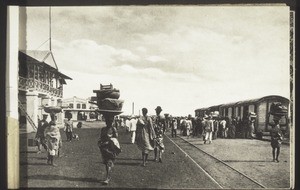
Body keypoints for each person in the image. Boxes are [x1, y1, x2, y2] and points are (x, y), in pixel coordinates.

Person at [98, 113, 121, 184]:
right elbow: (101, 138)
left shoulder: (113, 129)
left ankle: (107, 178)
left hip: (111, 148)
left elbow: (116, 138)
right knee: (106, 162)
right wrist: (100, 143)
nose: (109, 123)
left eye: (110, 122)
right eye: (108, 122)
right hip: (104, 148)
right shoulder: (103, 129)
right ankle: (108, 177)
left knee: (109, 163)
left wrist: (109, 141)